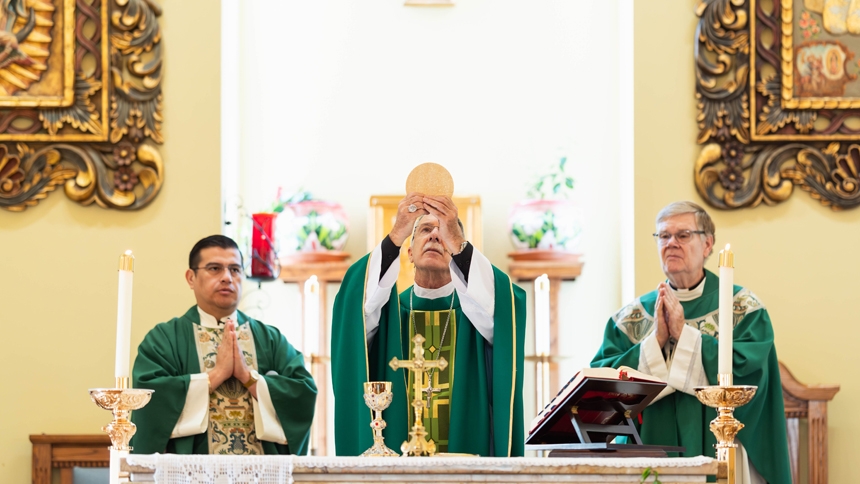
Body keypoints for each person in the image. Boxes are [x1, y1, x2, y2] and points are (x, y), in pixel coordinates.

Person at [591, 201, 791, 484]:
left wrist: (685, 335)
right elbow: (603, 384)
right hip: (645, 452)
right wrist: (656, 341)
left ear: (708, 244)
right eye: (664, 235)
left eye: (683, 235)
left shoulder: (743, 309)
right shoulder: (631, 317)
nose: (671, 243)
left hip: (721, 448)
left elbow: (751, 373)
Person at [331, 194, 526, 456]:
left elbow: (507, 309)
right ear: (408, 252)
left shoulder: (478, 313)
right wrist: (396, 235)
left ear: (457, 251)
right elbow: (354, 308)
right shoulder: (388, 314)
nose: (435, 235)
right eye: (424, 229)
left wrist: (457, 238)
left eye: (444, 230)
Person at [131, 235, 317, 455]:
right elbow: (150, 400)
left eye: (235, 270)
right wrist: (215, 376)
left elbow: (302, 393)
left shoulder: (270, 338)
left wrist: (248, 378)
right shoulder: (164, 339)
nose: (227, 277)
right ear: (191, 278)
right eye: (214, 268)